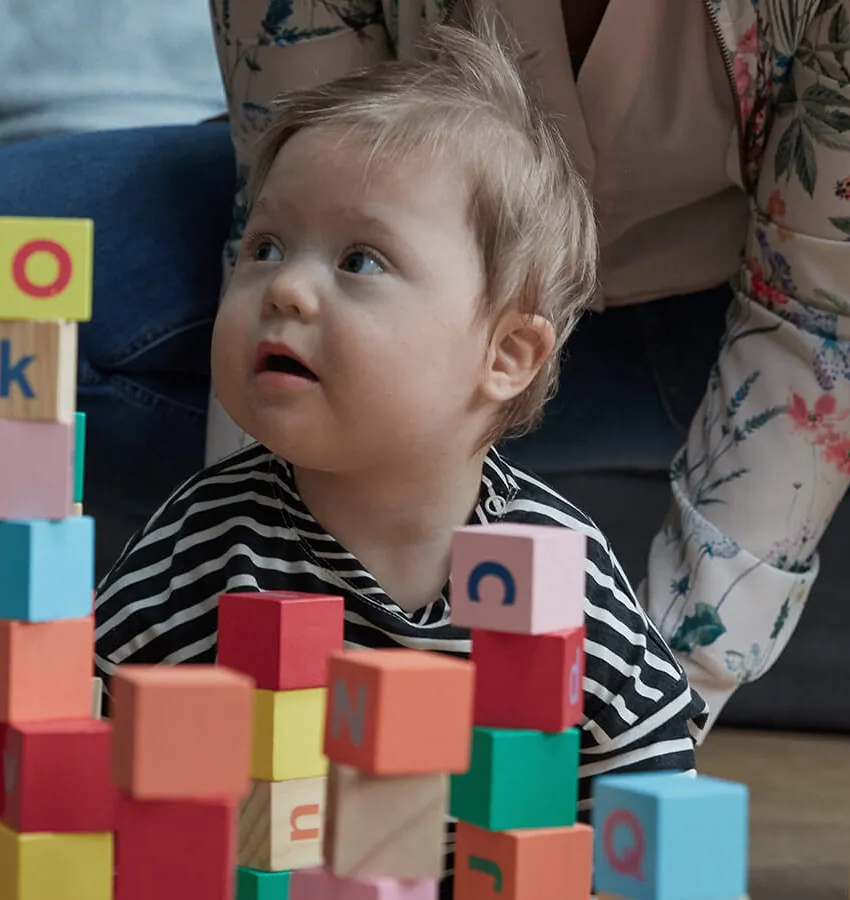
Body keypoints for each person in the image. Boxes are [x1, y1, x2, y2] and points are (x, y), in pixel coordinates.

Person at [0, 1, 850, 897]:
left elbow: (826, 311)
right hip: (417, 301)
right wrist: (258, 716)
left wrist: (585, 758)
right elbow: (297, 199)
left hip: (842, 295)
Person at [91, 15, 701, 887]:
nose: (286, 288)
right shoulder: (204, 544)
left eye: (361, 260)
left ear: (505, 355)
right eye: (265, 247)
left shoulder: (553, 566)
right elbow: (88, 749)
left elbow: (646, 770)